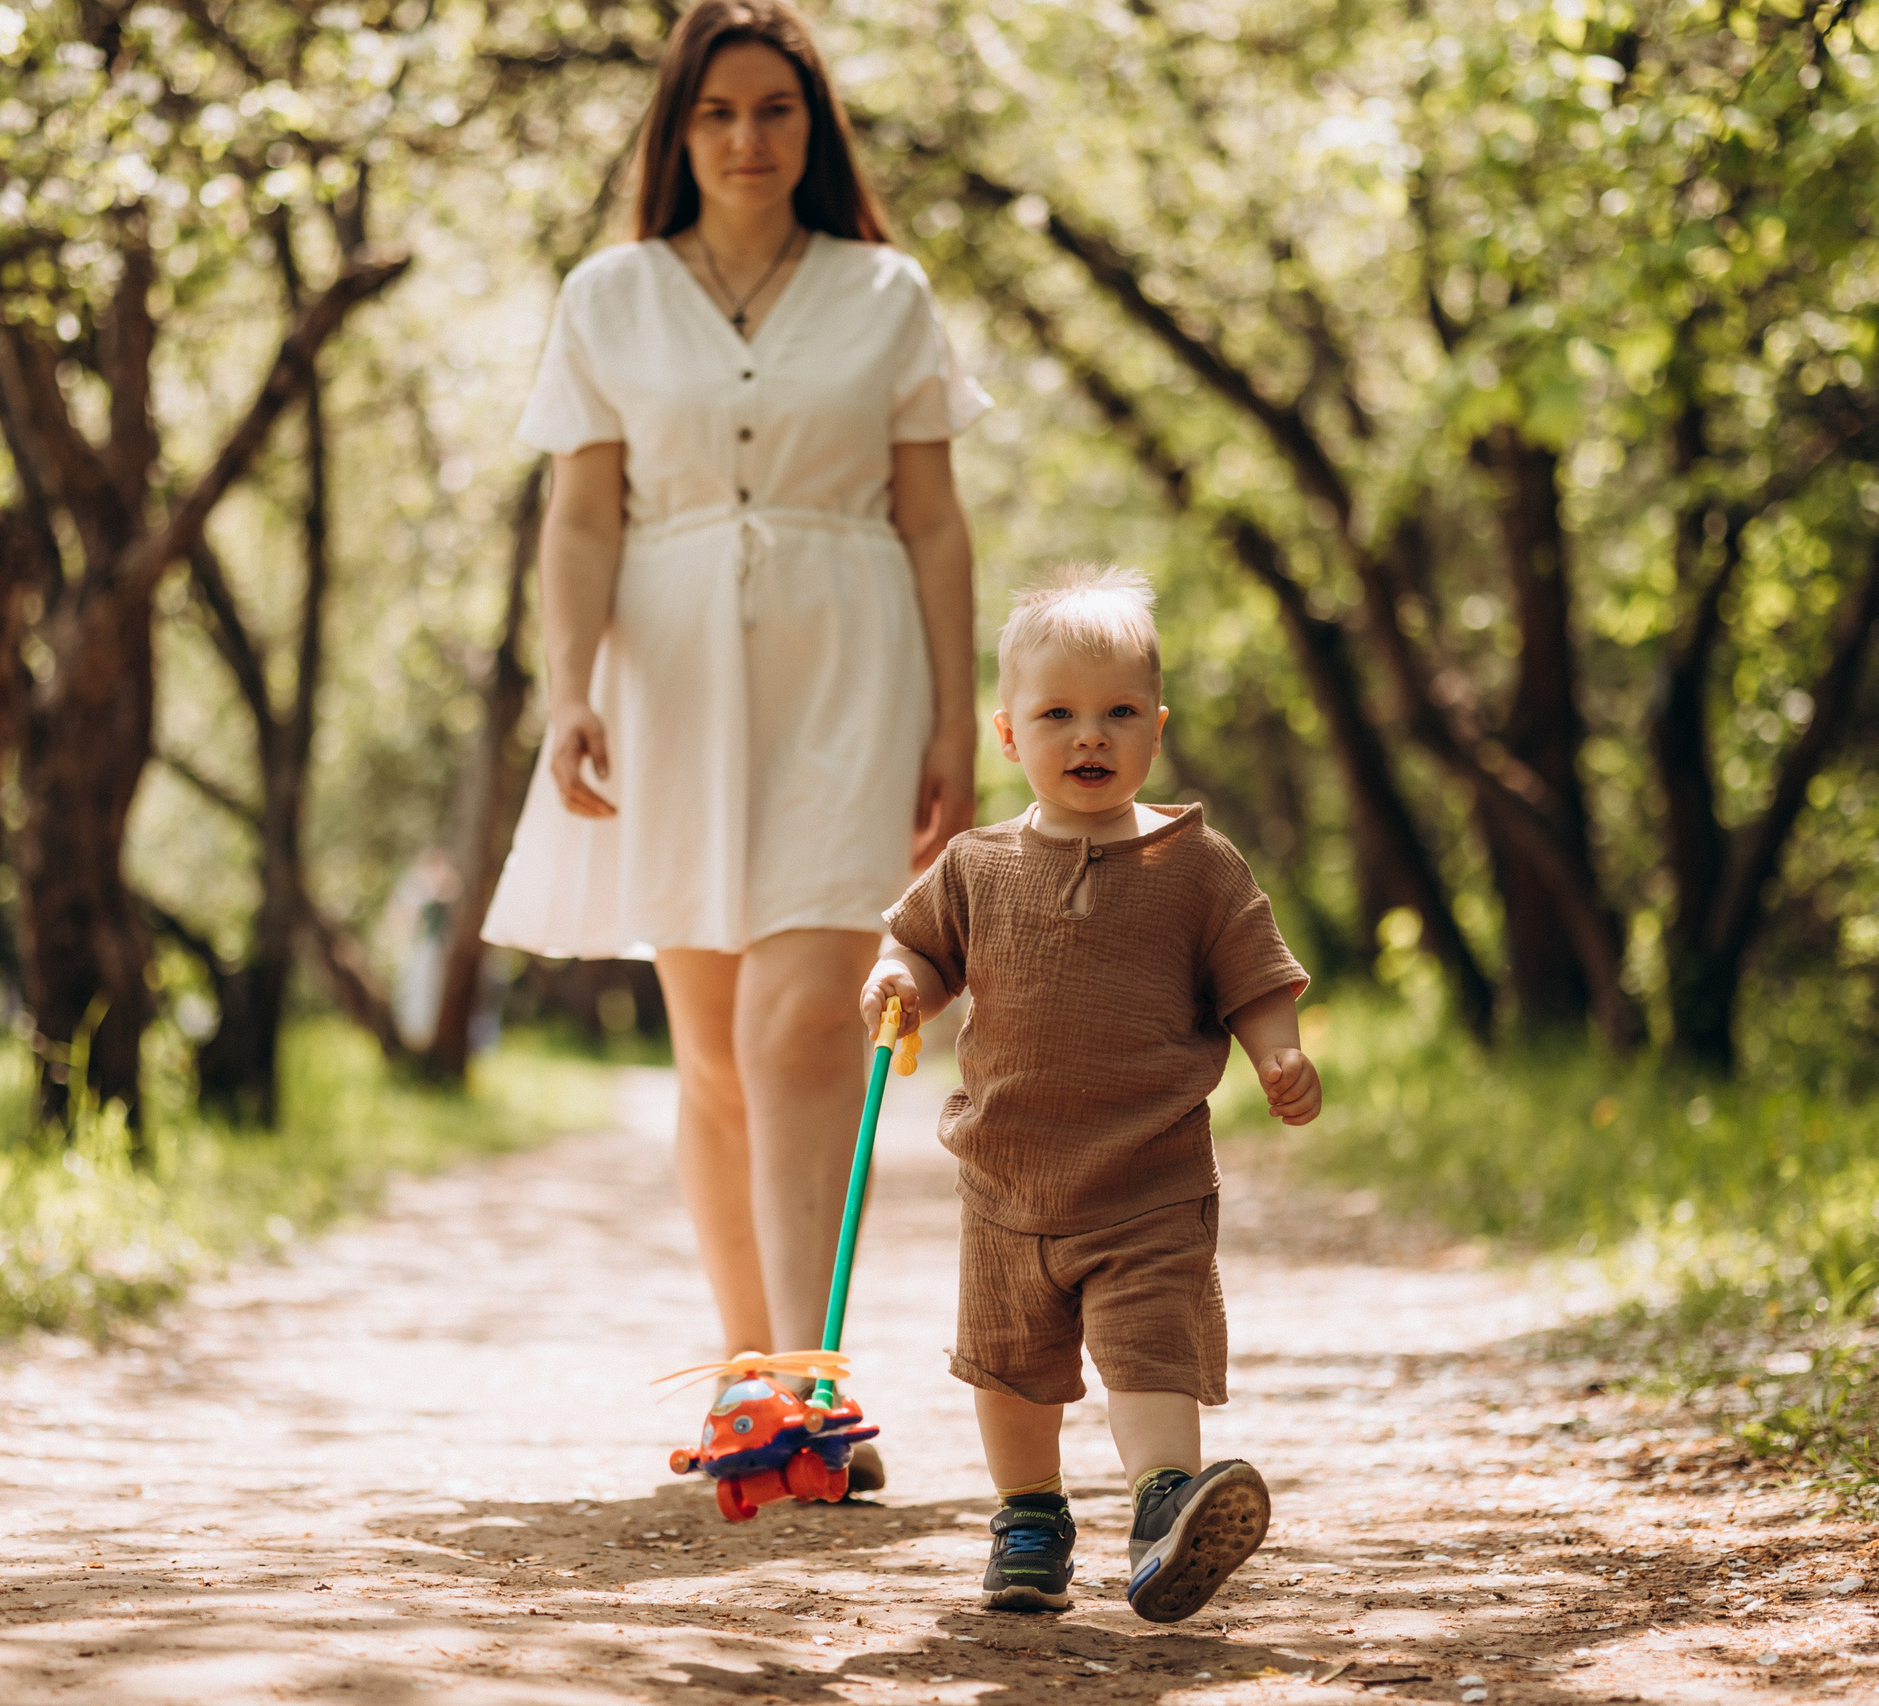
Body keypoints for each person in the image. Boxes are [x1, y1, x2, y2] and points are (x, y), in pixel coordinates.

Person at [480, 0, 988, 1488]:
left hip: (854, 662)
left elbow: (935, 518)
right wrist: (568, 687)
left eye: (777, 110)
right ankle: (749, 1388)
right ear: (679, 132)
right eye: (719, 114)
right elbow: (582, 514)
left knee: (800, 1026)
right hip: (670, 677)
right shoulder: (612, 295)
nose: (750, 139)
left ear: (813, 128)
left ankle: (809, 1393)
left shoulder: (886, 291)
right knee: (710, 1054)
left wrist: (958, 722)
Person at [860, 565, 1323, 1622]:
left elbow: (1254, 971)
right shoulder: (976, 864)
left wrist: (1278, 1049)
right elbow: (919, 947)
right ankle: (1029, 1517)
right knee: (1011, 1371)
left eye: (1118, 713)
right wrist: (899, 983)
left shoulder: (1196, 863)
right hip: (1008, 1184)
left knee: (1151, 1349)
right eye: (1057, 712)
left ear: (1154, 731)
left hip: (1148, 1182)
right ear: (1008, 734)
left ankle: (1165, 1507)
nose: (1089, 735)